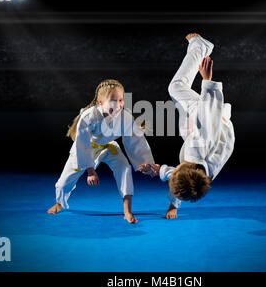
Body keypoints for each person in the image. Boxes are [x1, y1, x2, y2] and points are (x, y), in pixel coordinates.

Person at [139, 33, 235, 219]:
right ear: (183, 167)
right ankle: (201, 47)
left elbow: (181, 178)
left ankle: (201, 48)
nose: (175, 169)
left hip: (207, 131)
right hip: (211, 119)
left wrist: (159, 172)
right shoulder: (200, 143)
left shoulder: (200, 176)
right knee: (175, 87)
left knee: (178, 94)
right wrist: (207, 82)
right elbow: (210, 116)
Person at [47, 79, 154, 223]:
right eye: (113, 101)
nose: (118, 105)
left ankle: (127, 211)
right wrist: (90, 171)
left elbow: (136, 141)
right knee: (64, 180)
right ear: (100, 102)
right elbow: (82, 145)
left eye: (121, 100)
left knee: (124, 167)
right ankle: (59, 203)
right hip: (87, 148)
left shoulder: (125, 117)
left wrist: (145, 163)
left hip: (109, 147)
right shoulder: (89, 117)